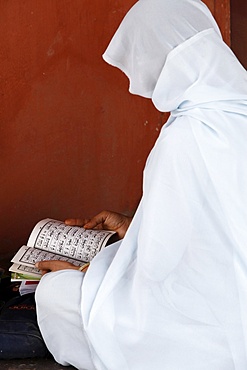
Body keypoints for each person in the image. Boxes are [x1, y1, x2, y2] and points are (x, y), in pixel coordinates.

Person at [35, 0, 247, 369]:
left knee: (57, 294)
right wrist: (131, 227)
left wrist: (85, 273)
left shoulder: (185, 135)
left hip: (211, 330)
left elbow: (156, 268)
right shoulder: (235, 111)